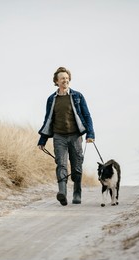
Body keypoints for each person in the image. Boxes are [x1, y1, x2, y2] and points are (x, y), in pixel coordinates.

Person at [37, 67, 95, 206]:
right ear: (56, 81)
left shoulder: (77, 96)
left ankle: (77, 192)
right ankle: (62, 192)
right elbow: (48, 120)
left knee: (76, 166)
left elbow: (87, 116)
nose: (65, 80)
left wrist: (90, 134)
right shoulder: (52, 99)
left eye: (67, 78)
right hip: (59, 137)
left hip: (75, 136)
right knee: (61, 164)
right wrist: (43, 140)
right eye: (62, 78)